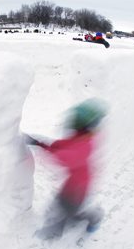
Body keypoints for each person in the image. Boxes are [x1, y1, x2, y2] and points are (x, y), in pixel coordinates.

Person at [25, 98, 108, 239]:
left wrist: (45, 149)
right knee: (65, 206)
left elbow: (65, 157)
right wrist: (40, 144)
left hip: (79, 186)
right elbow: (63, 146)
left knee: (67, 210)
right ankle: (80, 217)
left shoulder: (85, 145)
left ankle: (57, 231)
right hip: (74, 182)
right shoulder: (81, 137)